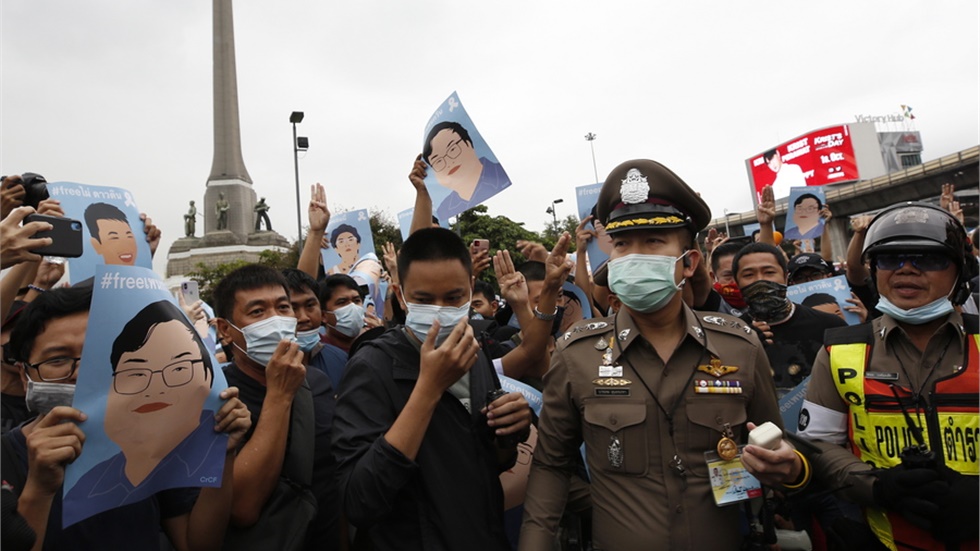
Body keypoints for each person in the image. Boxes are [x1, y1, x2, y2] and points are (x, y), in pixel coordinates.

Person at [521, 159, 804, 551]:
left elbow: (777, 448)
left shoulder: (740, 346)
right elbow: (551, 466)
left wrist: (791, 469)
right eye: (621, 244)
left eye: (653, 242)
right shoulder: (577, 354)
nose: (633, 256)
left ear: (688, 263)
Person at [3, 286, 250, 550]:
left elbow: (196, 544)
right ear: (24, 374)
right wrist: (40, 489)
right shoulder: (5, 457)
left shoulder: (154, 446)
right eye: (58, 360)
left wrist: (222, 455)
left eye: (95, 357)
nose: (81, 373)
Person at [332, 227, 532, 551]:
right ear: (400, 296)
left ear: (470, 289)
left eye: (453, 298)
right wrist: (428, 389)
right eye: (424, 300)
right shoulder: (371, 367)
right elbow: (360, 500)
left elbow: (487, 462)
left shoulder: (472, 348)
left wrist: (509, 431)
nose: (440, 313)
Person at [797, 202, 980, 550]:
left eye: (929, 259)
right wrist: (876, 486)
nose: (906, 269)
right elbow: (817, 445)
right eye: (890, 259)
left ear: (961, 271)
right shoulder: (839, 351)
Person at [62, 299, 227, 525]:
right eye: (136, 373)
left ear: (208, 375)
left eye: (179, 368)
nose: (156, 387)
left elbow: (199, 540)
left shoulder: (206, 440)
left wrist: (227, 455)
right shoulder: (90, 477)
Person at [212, 265, 339, 550]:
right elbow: (242, 508)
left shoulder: (316, 382)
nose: (276, 320)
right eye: (258, 312)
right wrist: (279, 395)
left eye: (283, 308)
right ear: (225, 330)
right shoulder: (218, 397)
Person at [732, 242, 846, 392]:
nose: (760, 281)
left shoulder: (830, 325)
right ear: (737, 282)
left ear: (785, 277)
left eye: (769, 272)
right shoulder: (732, 335)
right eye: (748, 275)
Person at [423, 121, 511, 222]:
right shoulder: (444, 208)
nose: (449, 162)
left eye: (452, 149)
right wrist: (422, 191)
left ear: (469, 143)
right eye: (438, 161)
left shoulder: (501, 177)